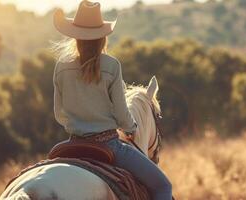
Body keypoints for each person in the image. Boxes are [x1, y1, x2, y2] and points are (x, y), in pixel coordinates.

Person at [52, 1, 172, 199]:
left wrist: (78, 125)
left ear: (75, 36)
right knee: (163, 186)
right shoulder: (111, 66)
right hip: (108, 145)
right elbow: (121, 113)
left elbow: (59, 114)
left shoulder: (61, 67)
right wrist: (131, 128)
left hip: (72, 144)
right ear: (102, 37)